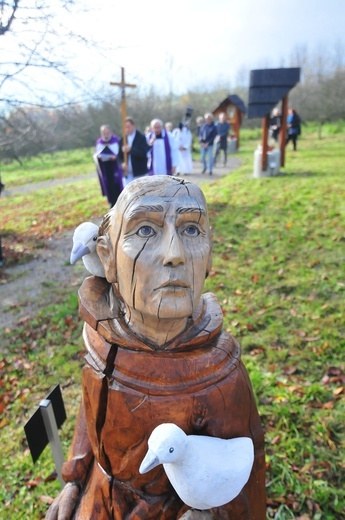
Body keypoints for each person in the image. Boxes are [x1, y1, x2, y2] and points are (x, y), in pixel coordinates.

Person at [45, 176, 266, 520]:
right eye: (145, 230)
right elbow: (93, 410)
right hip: (100, 498)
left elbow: (245, 466)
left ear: (209, 256)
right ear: (107, 257)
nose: (174, 254)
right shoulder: (102, 342)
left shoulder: (220, 372)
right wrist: (74, 481)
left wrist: (211, 513)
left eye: (191, 230)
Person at [93, 125, 123, 207]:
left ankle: (120, 203)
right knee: (108, 186)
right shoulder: (99, 142)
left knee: (118, 186)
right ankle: (112, 204)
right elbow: (96, 154)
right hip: (105, 168)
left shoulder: (117, 141)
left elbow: (121, 155)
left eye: (107, 133)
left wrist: (116, 157)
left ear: (111, 132)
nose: (105, 135)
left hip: (116, 168)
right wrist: (98, 156)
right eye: (103, 133)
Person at [117, 117, 149, 187]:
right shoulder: (122, 139)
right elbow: (119, 157)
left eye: (128, 127)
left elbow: (143, 153)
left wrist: (130, 150)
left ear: (133, 126)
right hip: (128, 175)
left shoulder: (141, 137)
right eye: (125, 127)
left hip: (140, 173)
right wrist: (122, 164)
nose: (127, 129)